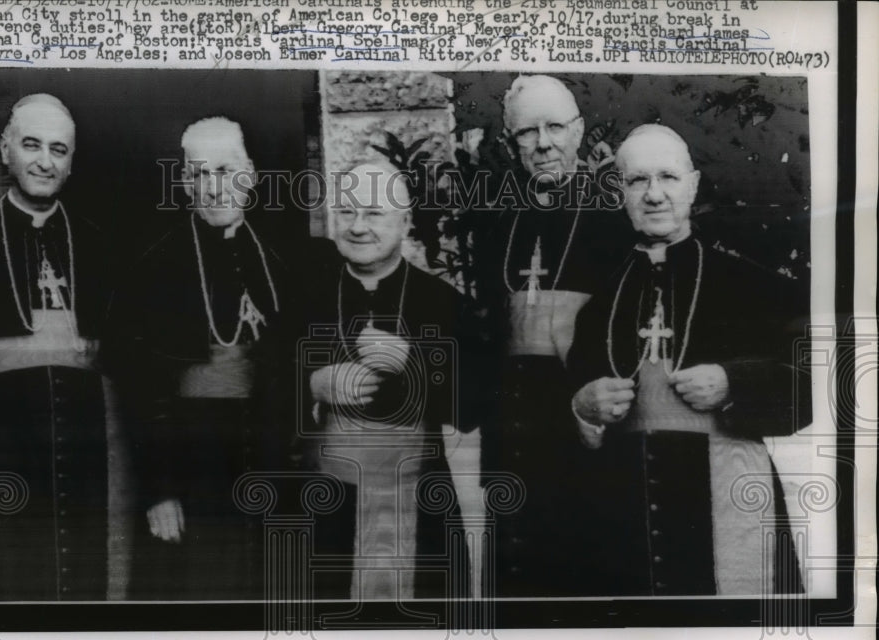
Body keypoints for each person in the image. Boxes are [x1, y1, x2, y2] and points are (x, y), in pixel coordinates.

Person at [567, 124, 809, 596]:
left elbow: (808, 391)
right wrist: (583, 407)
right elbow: (572, 401)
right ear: (620, 192)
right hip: (626, 508)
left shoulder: (751, 285)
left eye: (668, 178)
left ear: (693, 185)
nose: (654, 195)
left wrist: (733, 381)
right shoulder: (602, 303)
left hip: (729, 496)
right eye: (638, 181)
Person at [0, 93, 129, 601]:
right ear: (5, 149)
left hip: (85, 470)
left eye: (59, 150)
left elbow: (126, 368)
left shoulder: (103, 247)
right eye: (32, 145)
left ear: (71, 162)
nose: (45, 160)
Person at [109, 117, 288, 600]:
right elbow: (139, 390)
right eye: (200, 175)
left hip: (269, 464)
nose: (214, 188)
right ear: (185, 182)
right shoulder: (153, 267)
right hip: (193, 467)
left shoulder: (283, 259)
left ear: (249, 174)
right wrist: (159, 490)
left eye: (226, 171)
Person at [287, 161, 480, 601]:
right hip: (328, 496)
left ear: (406, 221)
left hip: (420, 493)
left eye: (373, 213)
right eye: (348, 212)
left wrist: (415, 363)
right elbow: (269, 385)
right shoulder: (306, 297)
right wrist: (313, 388)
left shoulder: (444, 303)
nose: (358, 227)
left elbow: (474, 403)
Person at [476, 75, 633, 597]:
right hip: (518, 445)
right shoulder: (499, 226)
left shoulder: (617, 223)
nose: (543, 143)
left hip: (590, 444)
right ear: (510, 142)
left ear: (580, 130)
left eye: (555, 128)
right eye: (527, 132)